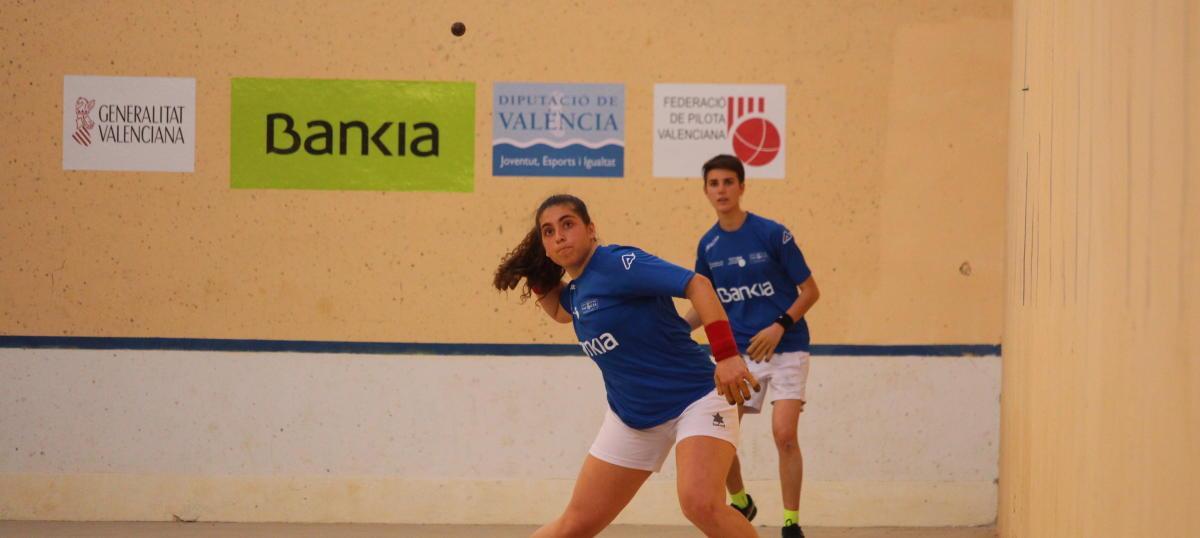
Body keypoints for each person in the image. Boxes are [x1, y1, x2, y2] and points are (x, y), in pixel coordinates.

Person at [493, 194, 761, 538]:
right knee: (575, 525)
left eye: (567, 224)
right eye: (548, 232)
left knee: (700, 502)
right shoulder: (576, 295)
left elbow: (699, 284)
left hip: (695, 400)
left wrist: (726, 355)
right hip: (631, 419)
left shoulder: (621, 263)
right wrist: (534, 272)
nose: (559, 236)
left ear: (591, 230)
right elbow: (561, 313)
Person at [684, 155, 821, 538]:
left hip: (788, 346)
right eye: (714, 183)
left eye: (729, 182)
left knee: (784, 434)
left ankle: (791, 523)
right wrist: (675, 328)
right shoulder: (708, 246)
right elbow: (705, 303)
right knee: (718, 434)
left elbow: (810, 291)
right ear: (706, 190)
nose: (722, 190)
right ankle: (741, 500)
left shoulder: (773, 234)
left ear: (741, 187)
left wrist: (779, 326)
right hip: (740, 356)